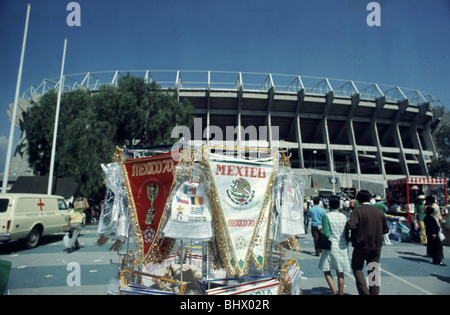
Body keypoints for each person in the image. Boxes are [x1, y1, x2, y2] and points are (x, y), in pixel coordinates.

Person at [346, 190, 389, 295]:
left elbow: (351, 225)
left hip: (361, 245)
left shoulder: (357, 211)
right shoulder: (379, 211)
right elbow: (385, 230)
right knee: (374, 270)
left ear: (358, 200)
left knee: (357, 268)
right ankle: (374, 293)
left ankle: (364, 292)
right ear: (370, 199)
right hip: (376, 246)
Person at [318, 195, 351, 295]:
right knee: (340, 272)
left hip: (330, 247)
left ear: (329, 205)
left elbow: (326, 234)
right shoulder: (344, 217)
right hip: (342, 246)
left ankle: (333, 291)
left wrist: (320, 230)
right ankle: (340, 293)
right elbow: (346, 234)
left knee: (326, 269)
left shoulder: (326, 217)